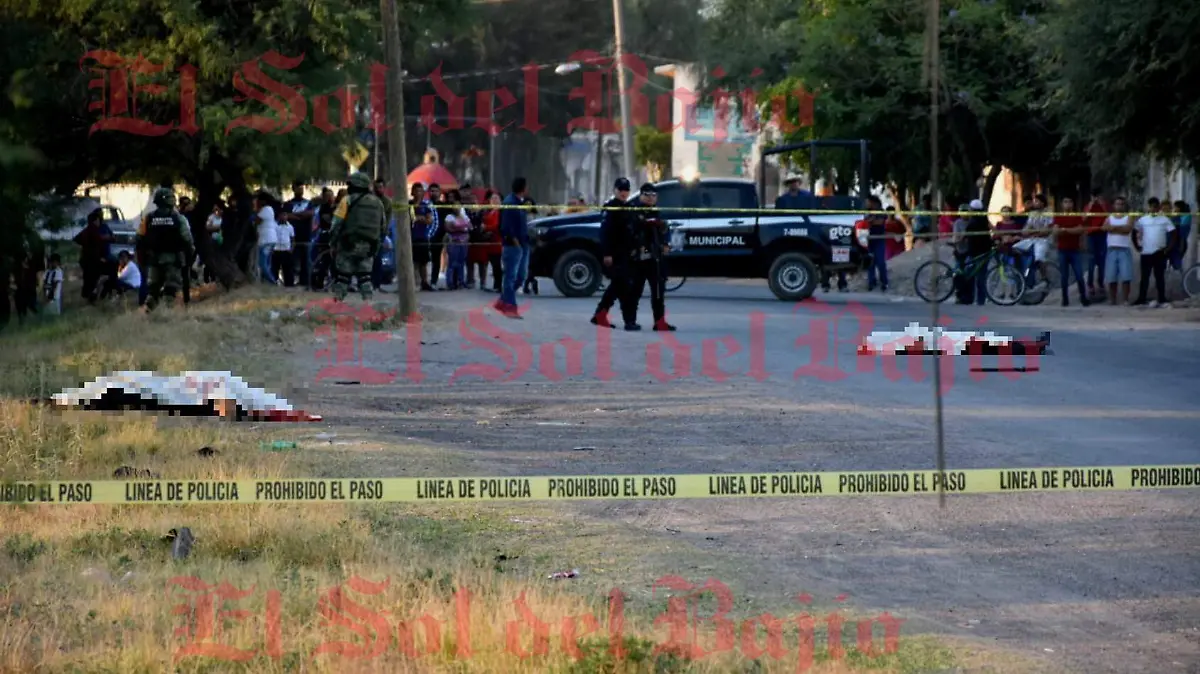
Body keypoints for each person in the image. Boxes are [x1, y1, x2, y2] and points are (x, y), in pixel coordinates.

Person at [328, 172, 388, 302]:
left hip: (348, 245)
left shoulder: (347, 200)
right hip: (368, 247)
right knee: (365, 279)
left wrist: (332, 243)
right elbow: (383, 227)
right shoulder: (377, 202)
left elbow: (336, 224)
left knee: (343, 279)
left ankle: (336, 305)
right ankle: (368, 305)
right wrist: (375, 246)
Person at [137, 187, 195, 312]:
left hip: (154, 259)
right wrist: (189, 257)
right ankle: (167, 315)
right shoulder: (178, 218)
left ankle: (148, 313)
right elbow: (188, 239)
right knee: (171, 288)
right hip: (173, 260)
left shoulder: (149, 218)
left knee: (153, 290)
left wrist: (143, 258)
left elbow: (139, 238)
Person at [627, 183, 676, 331]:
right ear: (640, 196)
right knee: (635, 291)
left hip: (656, 258)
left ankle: (659, 322)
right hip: (639, 257)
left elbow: (665, 230)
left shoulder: (657, 213)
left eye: (653, 195)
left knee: (658, 292)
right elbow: (629, 232)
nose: (650, 198)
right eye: (647, 195)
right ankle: (630, 321)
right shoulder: (633, 212)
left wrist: (666, 243)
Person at [590, 178, 636, 328]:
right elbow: (605, 233)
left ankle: (602, 315)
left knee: (619, 286)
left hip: (626, 253)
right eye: (620, 189)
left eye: (626, 190)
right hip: (615, 254)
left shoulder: (628, 207)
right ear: (615, 190)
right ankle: (627, 321)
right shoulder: (611, 208)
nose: (623, 192)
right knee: (622, 286)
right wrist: (607, 253)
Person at [1132, 197, 1176, 307]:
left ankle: (1162, 298)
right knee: (1144, 277)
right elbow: (1134, 231)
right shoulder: (1143, 220)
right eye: (1151, 207)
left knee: (1160, 277)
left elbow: (1174, 234)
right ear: (1149, 207)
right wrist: (1137, 246)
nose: (1153, 209)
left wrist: (1168, 248)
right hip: (1146, 252)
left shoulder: (1164, 219)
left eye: (1155, 207)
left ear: (1158, 207)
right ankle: (1141, 298)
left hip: (1159, 252)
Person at [497, 177, 530, 318]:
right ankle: (510, 308)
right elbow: (506, 227)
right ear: (523, 188)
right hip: (513, 246)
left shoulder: (519, 202)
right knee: (510, 277)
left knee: (521, 276)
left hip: (523, 244)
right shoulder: (509, 203)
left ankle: (502, 301)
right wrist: (516, 244)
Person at [1052, 197, 1090, 307]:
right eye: (1065, 202)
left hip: (1075, 250)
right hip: (1062, 250)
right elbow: (1055, 231)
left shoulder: (1077, 216)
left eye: (1070, 202)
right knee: (1064, 276)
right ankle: (1065, 299)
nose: (1068, 204)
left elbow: (1080, 230)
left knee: (1079, 275)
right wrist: (1071, 231)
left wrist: (1065, 230)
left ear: (1073, 204)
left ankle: (1083, 297)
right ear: (1062, 204)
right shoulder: (1058, 217)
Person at [73, 208, 115, 303]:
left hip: (88, 259)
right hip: (93, 260)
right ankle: (92, 297)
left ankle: (91, 296)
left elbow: (77, 240)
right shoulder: (93, 231)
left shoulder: (88, 230)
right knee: (93, 279)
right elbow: (100, 240)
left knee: (89, 279)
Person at [1011, 194, 1052, 292]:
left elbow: (1046, 231)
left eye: (1037, 201)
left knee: (1039, 258)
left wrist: (1033, 232)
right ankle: (1023, 270)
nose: (1034, 203)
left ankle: (1045, 278)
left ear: (1042, 203)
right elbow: (1027, 228)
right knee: (1014, 248)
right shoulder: (1032, 214)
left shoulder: (1049, 213)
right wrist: (1028, 232)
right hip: (1032, 239)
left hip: (1043, 240)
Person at [1102, 196, 1135, 305]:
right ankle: (1113, 300)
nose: (1119, 206)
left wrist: (1114, 228)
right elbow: (1105, 228)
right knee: (1111, 277)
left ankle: (1125, 299)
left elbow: (1127, 229)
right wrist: (1120, 228)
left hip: (1124, 249)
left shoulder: (1128, 217)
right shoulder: (1109, 217)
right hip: (1111, 249)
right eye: (1117, 204)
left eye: (1122, 204)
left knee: (1126, 276)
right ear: (1114, 205)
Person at [961, 200, 994, 305]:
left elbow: (965, 235)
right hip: (985, 250)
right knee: (981, 276)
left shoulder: (972, 221)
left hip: (975, 251)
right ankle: (980, 300)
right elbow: (993, 229)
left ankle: (968, 298)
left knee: (969, 274)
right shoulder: (984, 220)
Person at [282, 182, 315, 288]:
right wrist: (300, 215)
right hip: (292, 236)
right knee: (290, 260)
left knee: (306, 260)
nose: (301, 190)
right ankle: (289, 282)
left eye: (302, 188)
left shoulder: (308, 203)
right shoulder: (288, 204)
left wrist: (295, 215)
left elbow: (310, 213)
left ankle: (305, 282)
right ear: (293, 189)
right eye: (298, 188)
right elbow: (286, 215)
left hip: (305, 235)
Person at [474, 191, 503, 292]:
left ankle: (498, 285)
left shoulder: (499, 212)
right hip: (489, 241)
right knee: (493, 264)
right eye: (492, 198)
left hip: (496, 241)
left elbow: (497, 226)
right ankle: (496, 285)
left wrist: (486, 227)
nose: (494, 200)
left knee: (496, 264)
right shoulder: (490, 212)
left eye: (496, 198)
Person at [1083, 188, 1109, 299]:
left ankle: (1101, 283)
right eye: (1095, 196)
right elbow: (1084, 219)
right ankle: (1090, 284)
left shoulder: (1104, 205)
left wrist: (1102, 205)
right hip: (1091, 235)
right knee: (1091, 260)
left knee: (1102, 260)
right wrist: (1091, 205)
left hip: (1102, 235)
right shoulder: (1088, 206)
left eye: (1099, 196)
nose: (1097, 199)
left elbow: (1109, 217)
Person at [410, 183, 436, 291]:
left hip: (423, 237)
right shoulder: (409, 204)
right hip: (410, 237)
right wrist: (417, 218)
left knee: (423, 262)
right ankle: (413, 283)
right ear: (412, 192)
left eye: (420, 191)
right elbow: (409, 219)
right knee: (413, 262)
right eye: (416, 191)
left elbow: (430, 220)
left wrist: (421, 219)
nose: (418, 193)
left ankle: (424, 282)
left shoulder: (425, 206)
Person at [443, 190, 470, 290]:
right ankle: (450, 283)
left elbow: (470, 227)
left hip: (463, 242)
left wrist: (461, 229)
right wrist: (460, 229)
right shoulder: (449, 217)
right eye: (455, 206)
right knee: (452, 263)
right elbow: (448, 228)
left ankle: (461, 281)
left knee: (461, 263)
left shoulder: (464, 217)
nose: (457, 207)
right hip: (453, 242)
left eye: (458, 205)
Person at [311, 188, 336, 290]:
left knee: (328, 260)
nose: (330, 198)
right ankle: (319, 282)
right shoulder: (324, 208)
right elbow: (330, 221)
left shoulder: (334, 208)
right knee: (326, 260)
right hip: (326, 236)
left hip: (330, 235)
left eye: (331, 196)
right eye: (328, 196)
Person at [863, 196, 889, 291]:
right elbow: (863, 222)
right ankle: (871, 282)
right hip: (869, 240)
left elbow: (879, 222)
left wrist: (870, 221)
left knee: (881, 262)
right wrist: (870, 221)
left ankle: (884, 282)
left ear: (874, 202)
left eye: (868, 202)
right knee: (870, 262)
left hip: (879, 240)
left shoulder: (881, 212)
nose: (866, 204)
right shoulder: (867, 212)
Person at [253, 191, 279, 284]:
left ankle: (273, 282)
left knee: (262, 263)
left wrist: (255, 209)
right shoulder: (267, 209)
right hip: (267, 239)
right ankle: (267, 282)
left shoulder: (266, 209)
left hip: (266, 239)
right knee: (267, 263)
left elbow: (257, 221)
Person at [427, 183, 446, 287]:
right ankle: (423, 281)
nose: (433, 193)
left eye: (435, 191)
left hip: (438, 237)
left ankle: (433, 281)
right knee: (423, 260)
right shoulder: (425, 205)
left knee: (436, 260)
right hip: (426, 236)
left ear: (439, 193)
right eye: (431, 191)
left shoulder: (444, 206)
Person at [274, 211, 296, 287]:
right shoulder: (275, 225)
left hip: (286, 250)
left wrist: (291, 249)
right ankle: (274, 283)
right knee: (275, 268)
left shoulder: (290, 227)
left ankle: (289, 285)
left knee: (288, 269)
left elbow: (293, 239)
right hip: (276, 250)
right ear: (279, 216)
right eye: (282, 215)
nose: (284, 217)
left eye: (285, 215)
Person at [1169, 200, 1192, 271]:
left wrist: (1181, 245)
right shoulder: (1177, 216)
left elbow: (1182, 231)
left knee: (1176, 265)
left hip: (1181, 241)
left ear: (1179, 208)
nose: (1174, 209)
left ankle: (1183, 274)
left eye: (1175, 207)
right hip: (1175, 241)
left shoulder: (1186, 216)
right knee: (1173, 262)